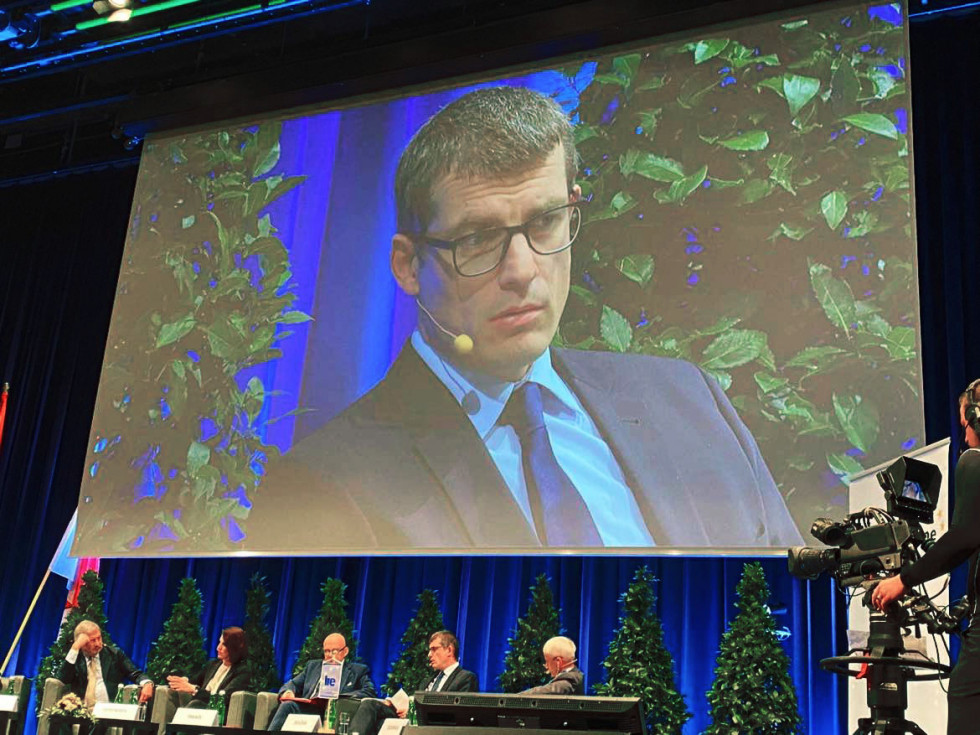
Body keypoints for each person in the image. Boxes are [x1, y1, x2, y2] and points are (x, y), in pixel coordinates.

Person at [251, 85, 802, 551]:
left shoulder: (690, 399)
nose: (522, 270)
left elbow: (797, 608)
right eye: (478, 238)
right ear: (408, 265)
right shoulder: (323, 484)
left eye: (545, 223)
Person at [873, 380, 980, 735]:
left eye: (965, 425)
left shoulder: (973, 462)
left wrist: (901, 581)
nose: (964, 438)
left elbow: (964, 537)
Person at [348, 631, 478, 735]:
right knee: (369, 704)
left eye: (434, 649)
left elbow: (458, 715)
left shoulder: (465, 678)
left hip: (432, 725)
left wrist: (414, 711)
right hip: (412, 717)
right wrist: (395, 704)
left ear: (449, 650)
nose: (429, 655)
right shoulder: (428, 679)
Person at [269, 633, 375, 731]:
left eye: (334, 651)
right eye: (326, 651)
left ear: (345, 651)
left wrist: (339, 697)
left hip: (336, 712)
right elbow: (293, 684)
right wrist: (288, 691)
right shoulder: (313, 666)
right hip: (310, 709)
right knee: (288, 705)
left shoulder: (358, 671)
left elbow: (369, 691)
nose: (329, 655)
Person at [58, 620, 154, 706]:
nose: (98, 644)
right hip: (81, 714)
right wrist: (75, 647)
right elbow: (63, 679)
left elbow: (135, 673)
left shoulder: (114, 655)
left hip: (109, 712)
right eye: (92, 640)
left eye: (99, 638)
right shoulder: (74, 658)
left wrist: (147, 683)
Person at [165, 627, 250, 708]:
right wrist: (184, 681)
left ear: (234, 648)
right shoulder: (213, 664)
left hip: (217, 712)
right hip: (198, 706)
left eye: (223, 645)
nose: (218, 648)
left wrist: (194, 689)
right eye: (219, 642)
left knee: (196, 704)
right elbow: (195, 680)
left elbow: (223, 699)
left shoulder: (242, 671)